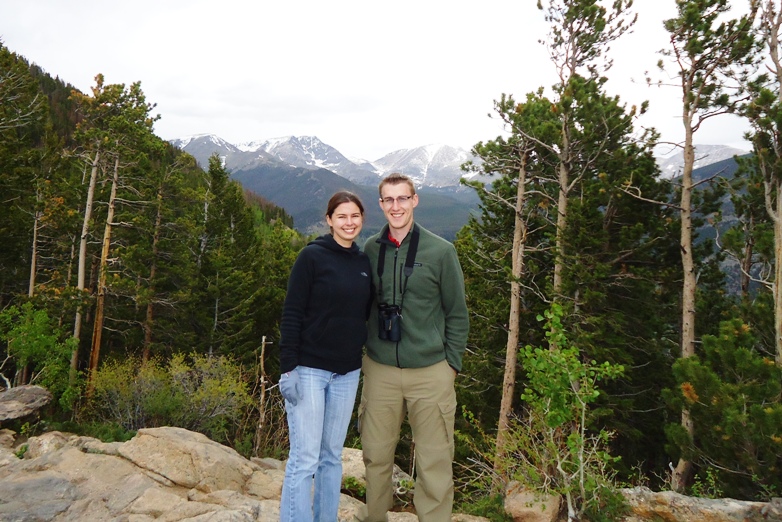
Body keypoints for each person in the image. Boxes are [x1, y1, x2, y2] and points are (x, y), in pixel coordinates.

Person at [357, 173, 469, 522]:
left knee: (434, 459)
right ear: (380, 204)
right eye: (388, 200)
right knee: (376, 455)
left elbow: (457, 313)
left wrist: (450, 365)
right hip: (380, 370)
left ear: (415, 200)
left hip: (431, 371)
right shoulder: (371, 249)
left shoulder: (440, 251)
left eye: (402, 199)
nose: (396, 206)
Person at [278, 190, 373, 522]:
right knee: (305, 458)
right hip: (309, 369)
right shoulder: (312, 257)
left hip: (347, 372)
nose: (349, 223)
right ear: (329, 220)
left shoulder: (363, 262)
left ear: (362, 220)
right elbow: (292, 313)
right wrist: (288, 367)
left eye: (355, 216)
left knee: (332, 456)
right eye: (342, 216)